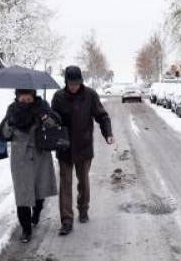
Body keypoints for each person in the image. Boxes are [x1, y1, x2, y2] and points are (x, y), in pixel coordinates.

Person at [51, 66, 114, 236]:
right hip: (64, 146)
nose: (73, 86)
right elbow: (52, 120)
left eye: (76, 83)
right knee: (65, 184)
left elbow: (102, 116)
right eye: (70, 83)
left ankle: (83, 209)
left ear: (81, 81)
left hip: (83, 145)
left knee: (83, 182)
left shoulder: (90, 95)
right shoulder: (58, 97)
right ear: (66, 82)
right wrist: (51, 120)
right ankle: (66, 220)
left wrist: (107, 133)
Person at [0, 89, 60, 243]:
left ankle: (37, 212)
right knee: (23, 195)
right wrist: (9, 123)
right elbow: (4, 135)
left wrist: (45, 117)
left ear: (33, 95)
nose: (25, 100)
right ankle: (26, 230)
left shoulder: (42, 106)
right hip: (20, 158)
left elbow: (54, 125)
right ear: (18, 97)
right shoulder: (12, 110)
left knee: (39, 191)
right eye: (22, 97)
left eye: (28, 97)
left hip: (40, 155)